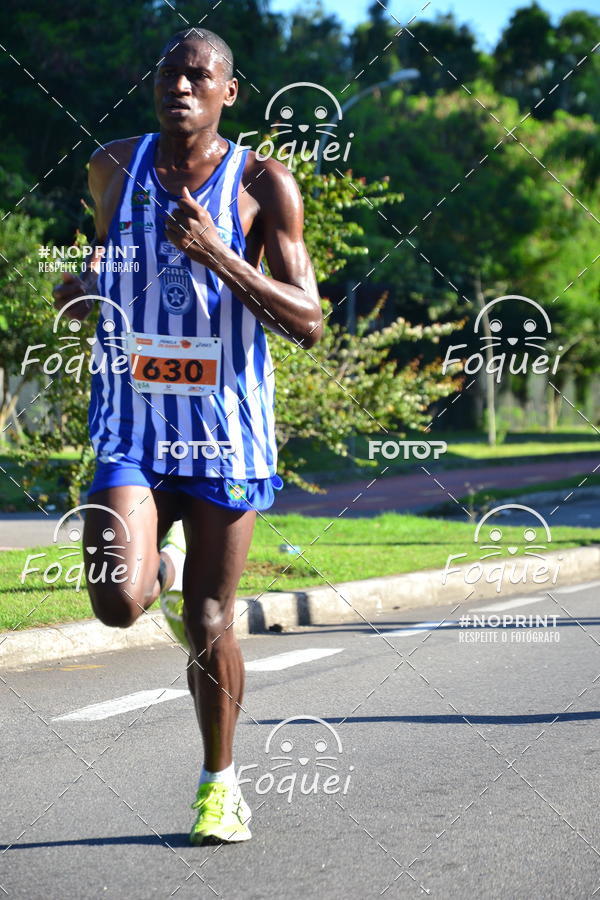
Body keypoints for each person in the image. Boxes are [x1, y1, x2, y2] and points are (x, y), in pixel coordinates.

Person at [52, 26, 322, 845]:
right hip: (131, 424)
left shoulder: (264, 184)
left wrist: (219, 255)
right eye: (171, 73)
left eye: (200, 76)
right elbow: (108, 266)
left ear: (227, 94)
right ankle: (154, 569)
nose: (182, 86)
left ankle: (219, 785)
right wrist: (83, 291)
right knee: (115, 601)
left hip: (225, 433)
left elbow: (309, 320)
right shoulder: (112, 166)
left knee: (210, 619)